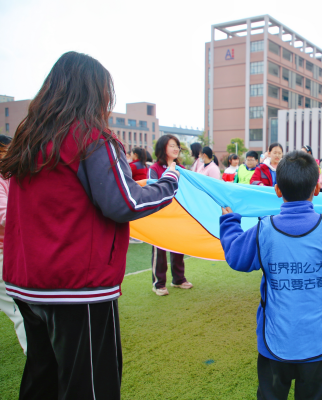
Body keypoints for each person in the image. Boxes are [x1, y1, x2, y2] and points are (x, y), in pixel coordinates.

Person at [0, 51, 179, 398]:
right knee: (90, 386)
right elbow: (124, 202)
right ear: (95, 93)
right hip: (76, 286)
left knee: (43, 379)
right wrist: (170, 182)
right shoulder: (91, 138)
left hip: (26, 281)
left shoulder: (28, 140)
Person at [219, 150, 322, 400]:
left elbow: (237, 257)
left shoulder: (264, 228)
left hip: (275, 341)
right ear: (316, 189)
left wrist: (229, 223)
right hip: (319, 340)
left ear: (277, 190)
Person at [149, 135, 192, 296]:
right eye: (172, 145)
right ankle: (158, 283)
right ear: (163, 148)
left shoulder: (181, 169)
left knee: (178, 246)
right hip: (160, 215)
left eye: (177, 146)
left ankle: (178, 279)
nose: (176, 149)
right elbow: (153, 189)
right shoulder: (154, 169)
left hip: (178, 214)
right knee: (159, 249)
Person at [0, 135, 27, 354]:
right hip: (3, 253)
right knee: (20, 309)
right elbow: (5, 216)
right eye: (9, 150)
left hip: (13, 250)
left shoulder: (11, 177)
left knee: (23, 307)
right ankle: (41, 362)